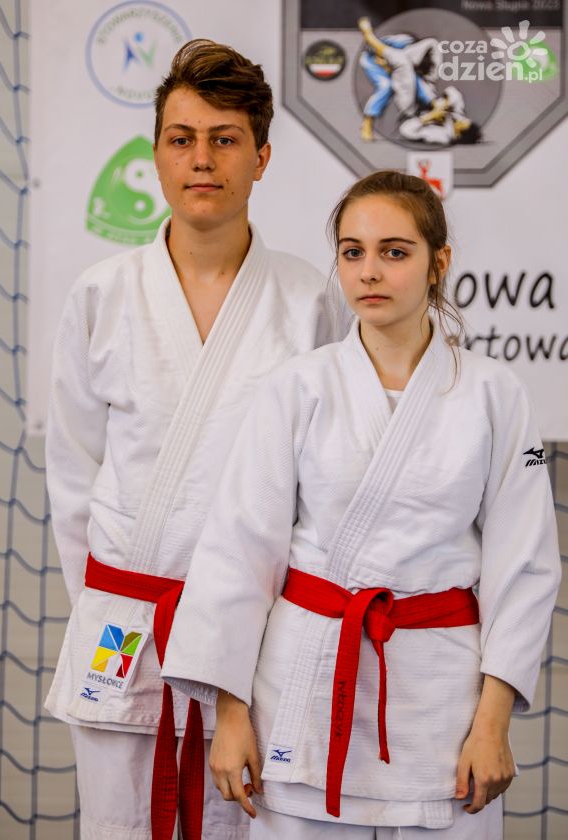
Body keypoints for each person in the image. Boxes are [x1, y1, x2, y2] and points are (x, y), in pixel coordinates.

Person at [162, 170, 561, 838]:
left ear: (438, 263)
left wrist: (491, 726)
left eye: (394, 252)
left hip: (440, 703)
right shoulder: (296, 387)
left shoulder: (497, 395)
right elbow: (238, 551)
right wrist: (230, 715)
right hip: (305, 682)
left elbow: (525, 566)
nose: (369, 271)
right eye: (352, 252)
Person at [44, 39, 345, 840]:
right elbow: (72, 473)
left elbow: (326, 488)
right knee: (116, 824)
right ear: (156, 155)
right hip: (122, 623)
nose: (201, 159)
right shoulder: (101, 296)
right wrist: (105, 602)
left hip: (256, 639)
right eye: (181, 139)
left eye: (224, 139)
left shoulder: (309, 302)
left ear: (261, 158)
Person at [358, 17, 440, 141]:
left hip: (397, 61)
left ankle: (423, 115)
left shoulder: (425, 62)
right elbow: (371, 41)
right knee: (386, 86)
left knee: (417, 84)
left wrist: (436, 107)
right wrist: (366, 29)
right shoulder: (400, 53)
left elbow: (424, 86)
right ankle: (367, 123)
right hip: (372, 59)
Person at [399, 87, 481, 146]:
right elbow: (453, 92)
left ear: (458, 134)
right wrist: (444, 105)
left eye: (461, 123)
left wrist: (431, 116)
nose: (460, 120)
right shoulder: (456, 117)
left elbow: (405, 130)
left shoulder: (441, 136)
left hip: (414, 113)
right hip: (429, 102)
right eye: (464, 120)